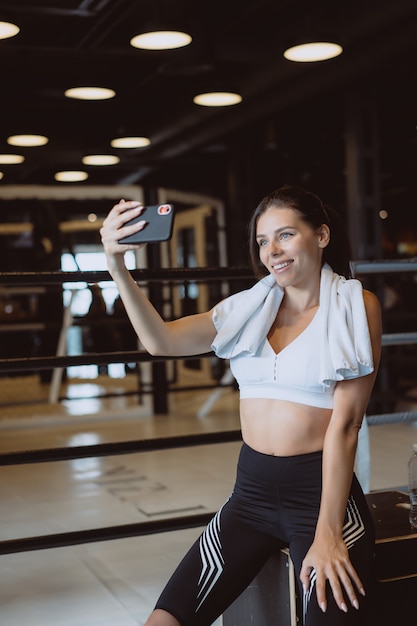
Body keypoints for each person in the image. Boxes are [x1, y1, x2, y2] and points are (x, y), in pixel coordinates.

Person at [100, 186, 382, 626]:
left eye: (285, 235)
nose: (272, 251)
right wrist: (117, 266)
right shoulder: (249, 308)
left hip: (321, 498)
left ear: (321, 235)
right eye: (263, 241)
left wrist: (327, 535)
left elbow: (346, 426)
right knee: (163, 621)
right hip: (249, 496)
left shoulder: (354, 306)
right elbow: (161, 341)